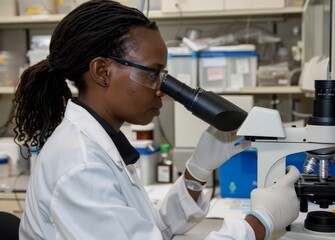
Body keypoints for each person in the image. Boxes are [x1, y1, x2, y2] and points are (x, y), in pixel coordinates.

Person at [10, 1, 300, 239]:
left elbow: (149, 230)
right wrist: (259, 222)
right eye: (152, 73)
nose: (163, 89)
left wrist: (196, 173)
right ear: (102, 71)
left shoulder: (100, 143)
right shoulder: (80, 166)